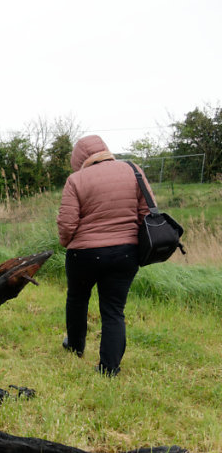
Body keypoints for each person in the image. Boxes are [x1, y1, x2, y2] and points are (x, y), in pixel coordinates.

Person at [57, 135, 151, 376]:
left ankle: (76, 346)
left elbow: (67, 224)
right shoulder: (133, 170)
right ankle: (109, 367)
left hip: (83, 254)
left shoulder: (75, 179)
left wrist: (68, 243)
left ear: (78, 158)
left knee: (77, 299)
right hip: (125, 253)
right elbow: (145, 213)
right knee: (113, 310)